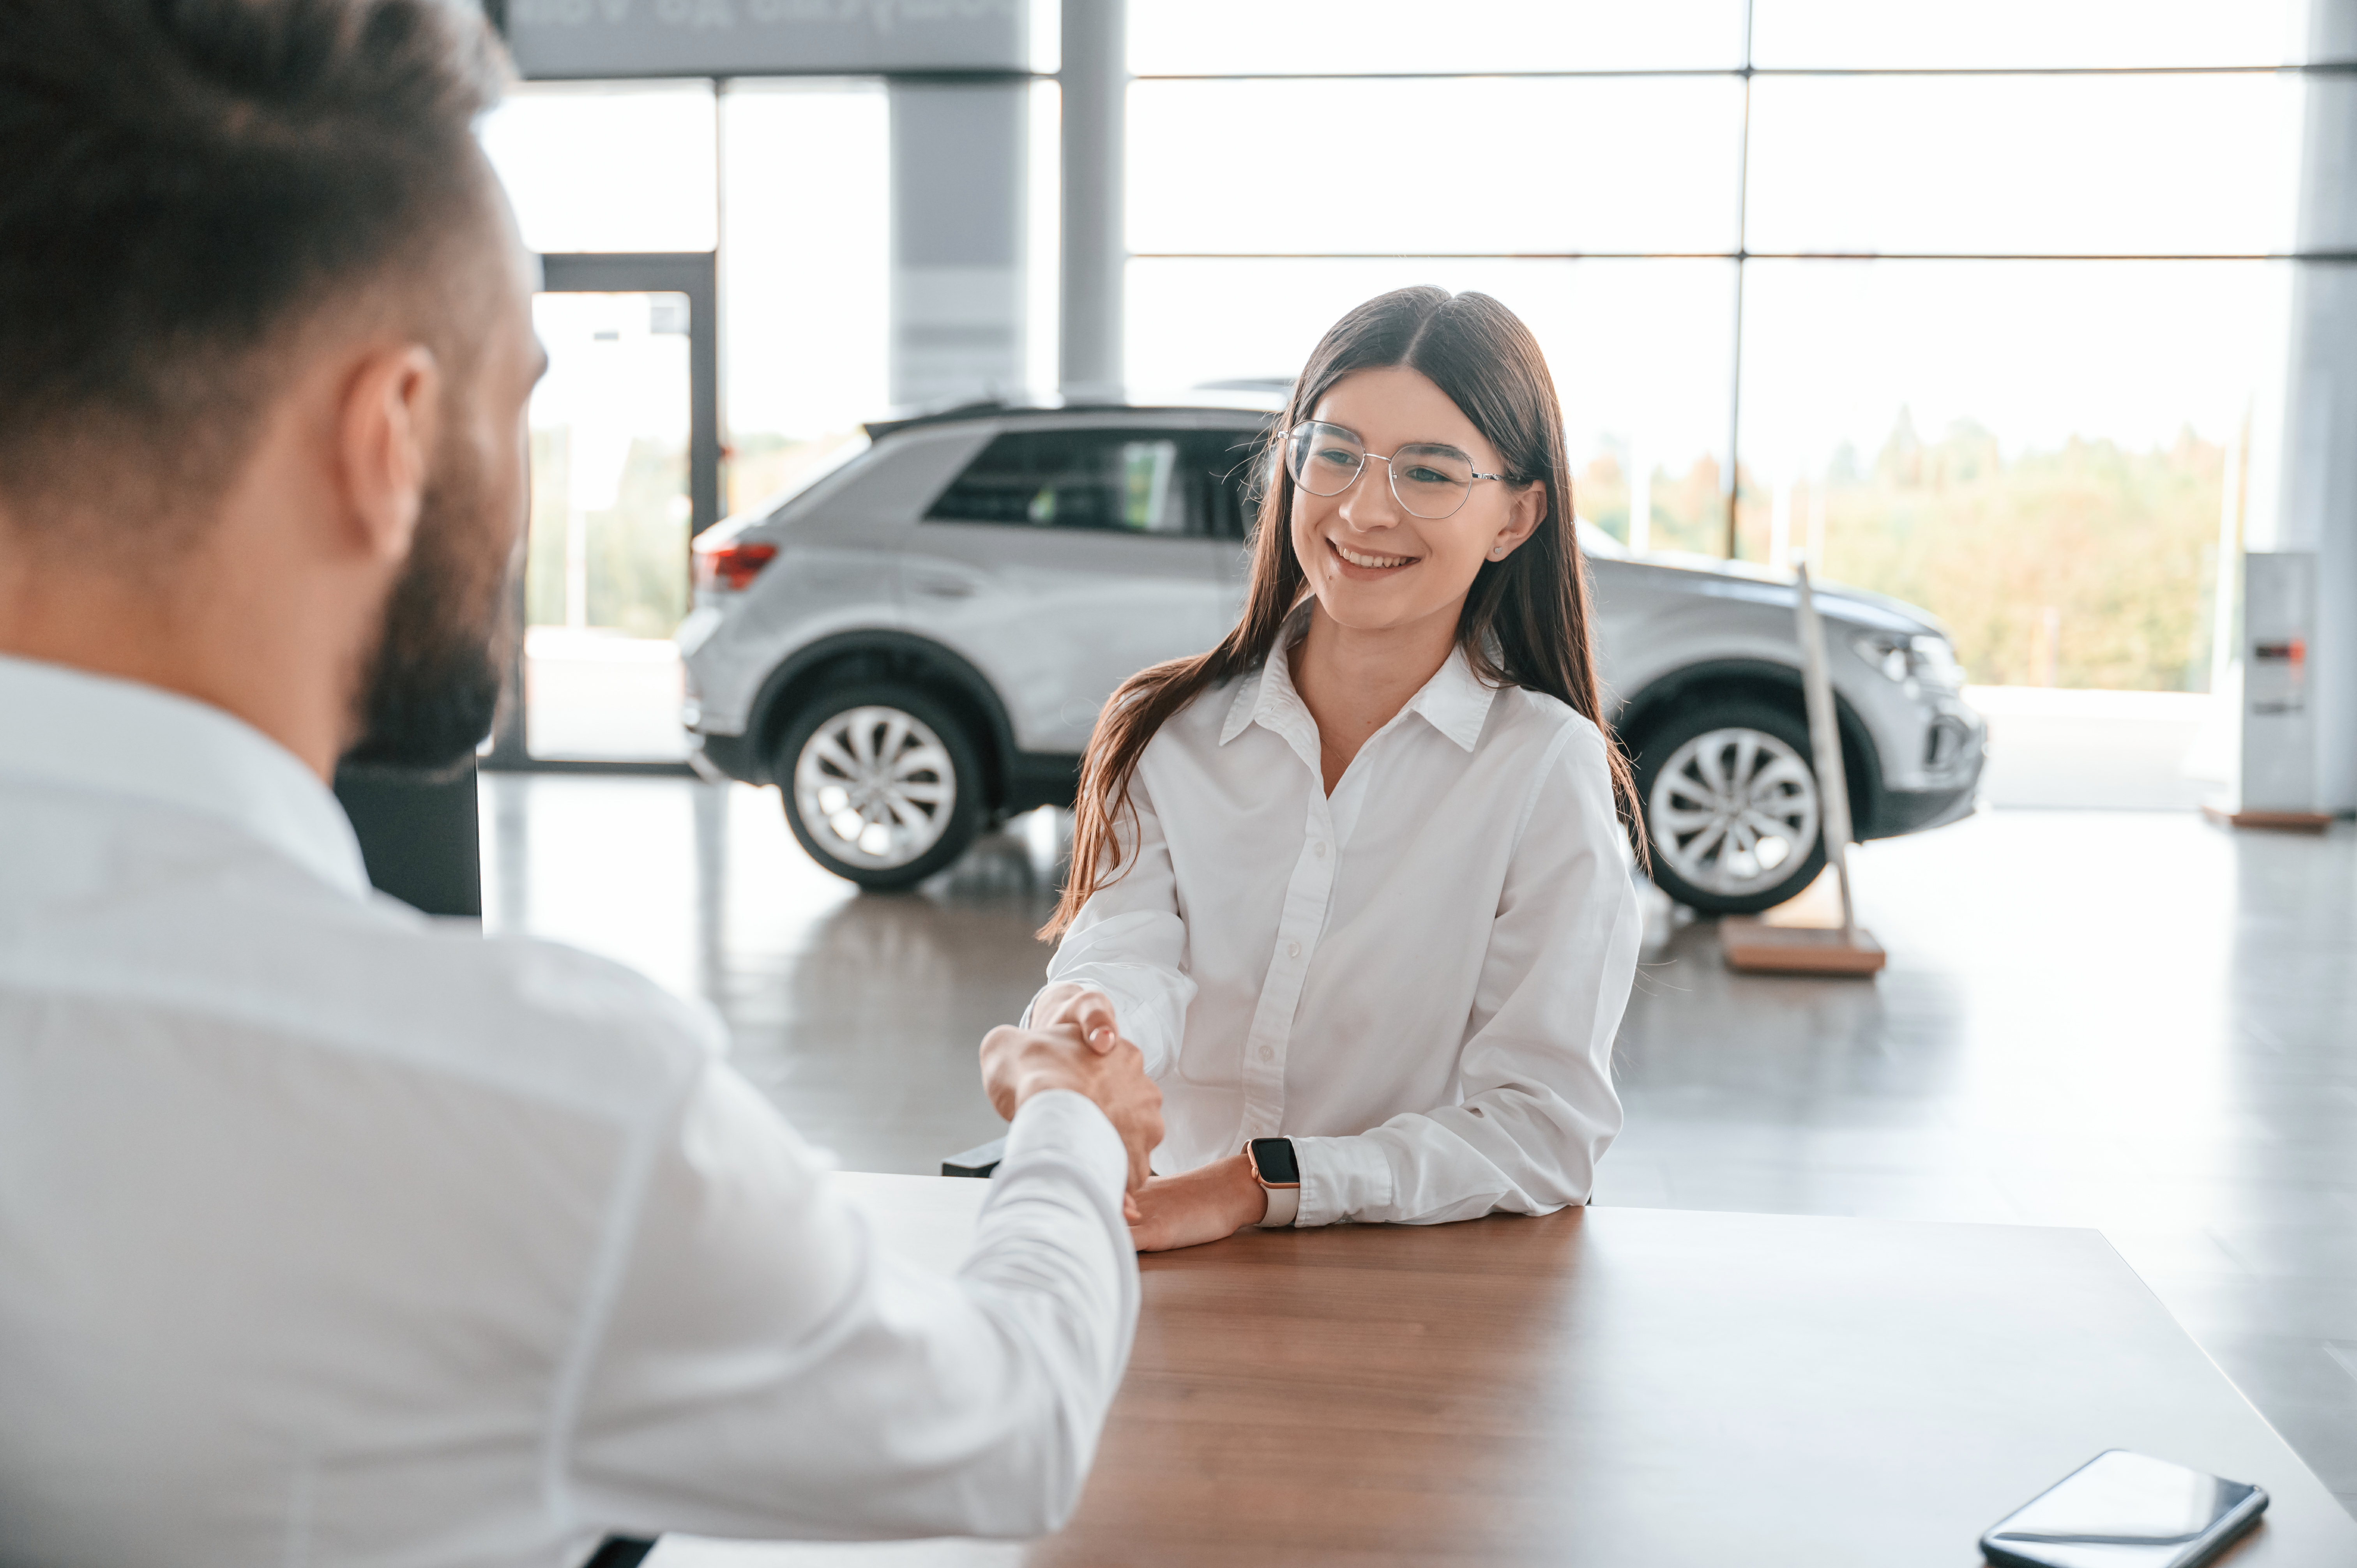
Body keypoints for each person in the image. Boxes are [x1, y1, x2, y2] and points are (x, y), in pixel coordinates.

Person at [0, 3, 1160, 1563]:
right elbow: (1004, 1433)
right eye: (518, 397)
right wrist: (1068, 1119)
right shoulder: (528, 1111)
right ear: (393, 433)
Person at [1025, 288, 1644, 1252]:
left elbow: (1543, 1130)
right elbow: (1122, 961)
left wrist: (1261, 1182)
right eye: (1337, 453)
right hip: (1162, 1259)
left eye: (1431, 473)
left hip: (1402, 1299)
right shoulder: (1168, 735)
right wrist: (1084, 1033)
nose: (1364, 507)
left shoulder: (1543, 771)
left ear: (1515, 518)